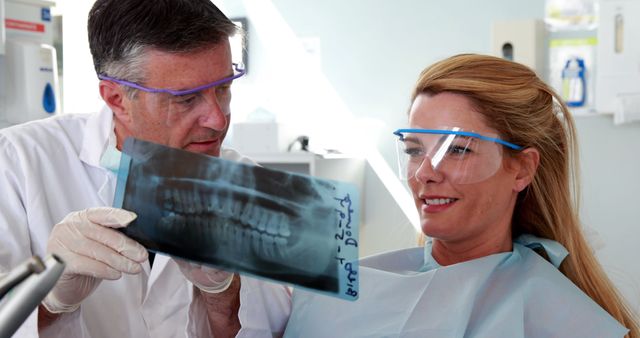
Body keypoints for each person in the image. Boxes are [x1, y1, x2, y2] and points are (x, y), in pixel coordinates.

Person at [282, 54, 640, 337]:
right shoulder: (338, 293)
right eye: (413, 150)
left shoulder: (564, 320)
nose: (424, 173)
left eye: (457, 151)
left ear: (522, 169)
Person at [0, 0, 291, 336]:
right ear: (116, 99)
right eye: (186, 98)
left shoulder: (249, 186)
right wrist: (48, 300)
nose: (217, 119)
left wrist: (224, 294)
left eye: (223, 88)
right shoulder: (14, 164)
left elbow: (281, 328)